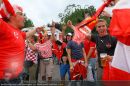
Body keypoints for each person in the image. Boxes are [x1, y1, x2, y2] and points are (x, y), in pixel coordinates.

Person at [0, 0, 44, 84]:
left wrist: (36, 30)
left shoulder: (18, 32)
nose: (24, 17)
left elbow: (27, 34)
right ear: (12, 16)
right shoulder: (3, 26)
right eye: (21, 14)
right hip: (5, 80)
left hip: (17, 77)